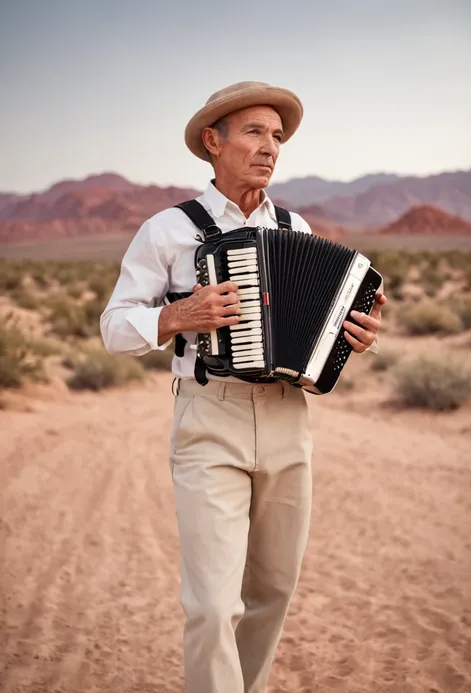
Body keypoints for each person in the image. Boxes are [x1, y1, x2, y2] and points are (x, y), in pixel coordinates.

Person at [100, 81, 386, 693]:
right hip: (210, 420)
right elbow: (114, 328)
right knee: (211, 604)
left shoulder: (296, 226)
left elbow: (314, 335)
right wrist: (179, 316)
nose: (270, 147)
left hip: (287, 421)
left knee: (273, 592)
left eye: (276, 136)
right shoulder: (167, 231)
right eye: (254, 132)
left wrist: (352, 336)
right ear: (213, 141)